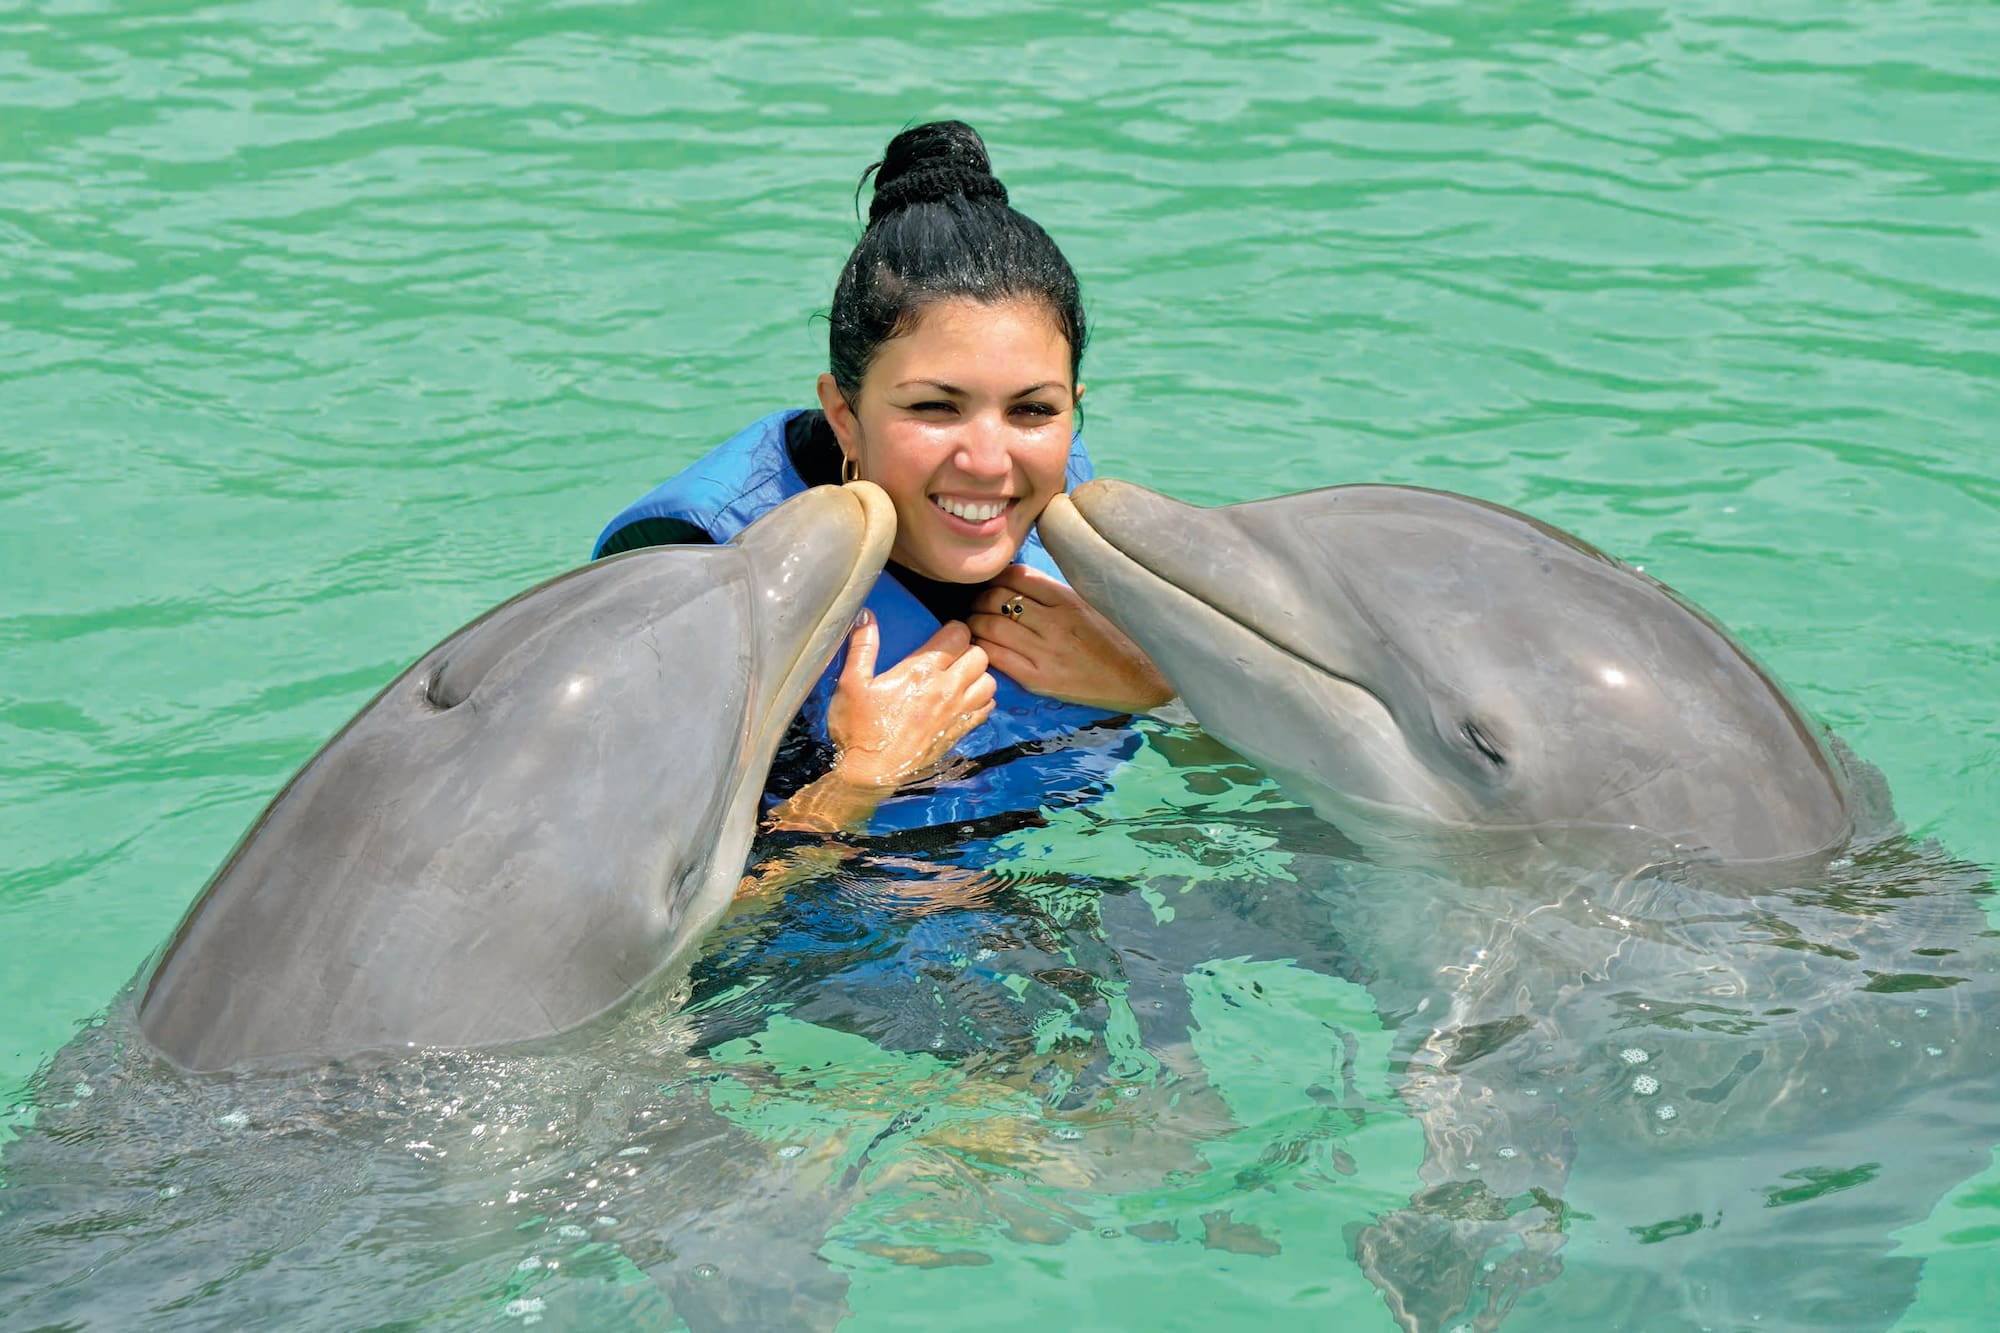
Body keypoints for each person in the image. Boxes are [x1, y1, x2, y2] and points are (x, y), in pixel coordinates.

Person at [594, 120, 1172, 836]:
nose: (990, 462)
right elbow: (623, 915)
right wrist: (857, 780)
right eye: (934, 406)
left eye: (1031, 409)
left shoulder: (1076, 521)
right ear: (843, 412)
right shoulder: (694, 574)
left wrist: (1148, 684)